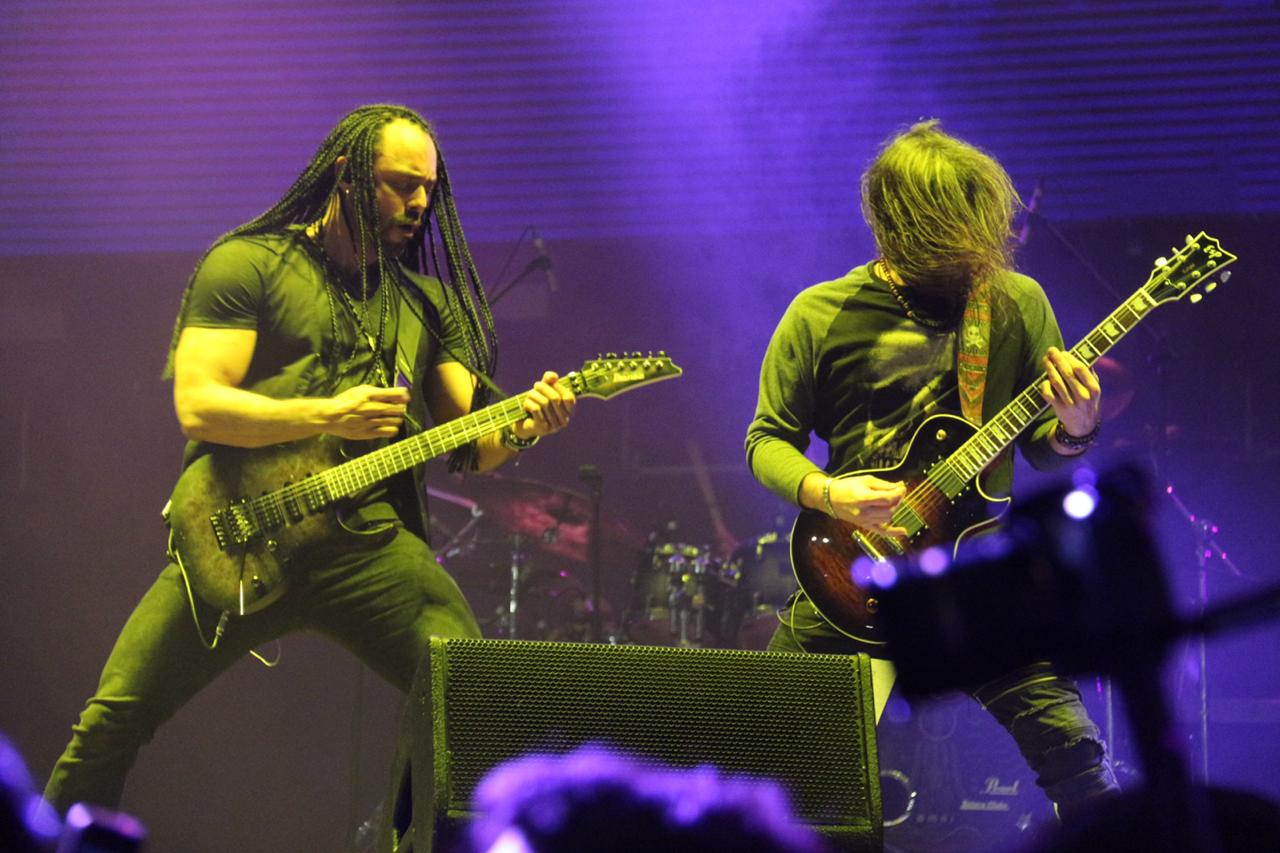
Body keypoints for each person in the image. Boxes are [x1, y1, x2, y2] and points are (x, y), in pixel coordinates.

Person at [43, 104, 576, 814]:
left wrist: (529, 426)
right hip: (239, 533)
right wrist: (328, 415)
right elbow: (199, 406)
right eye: (400, 184)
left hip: (368, 547)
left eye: (429, 188)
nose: (419, 203)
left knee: (471, 704)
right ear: (346, 175)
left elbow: (473, 443)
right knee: (112, 721)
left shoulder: (425, 303)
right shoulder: (249, 263)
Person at [744, 120, 1119, 821]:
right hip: (850, 571)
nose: (969, 241)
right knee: (772, 768)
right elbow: (767, 439)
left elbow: (1044, 447)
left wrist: (1077, 427)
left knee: (1075, 754)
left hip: (978, 578)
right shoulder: (820, 314)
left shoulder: (1015, 303)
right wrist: (829, 492)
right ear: (901, 220)